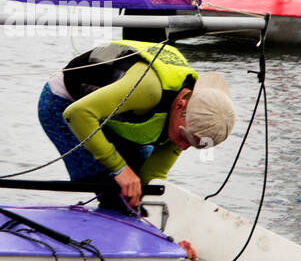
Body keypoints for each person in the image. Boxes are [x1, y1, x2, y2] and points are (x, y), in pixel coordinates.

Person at [38, 39, 235, 212]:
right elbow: (78, 114)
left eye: (194, 144)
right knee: (110, 185)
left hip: (119, 111)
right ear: (180, 105)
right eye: (185, 138)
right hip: (68, 102)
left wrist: (167, 230)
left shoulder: (194, 112)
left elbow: (153, 178)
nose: (183, 146)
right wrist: (119, 168)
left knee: (136, 189)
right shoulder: (149, 91)